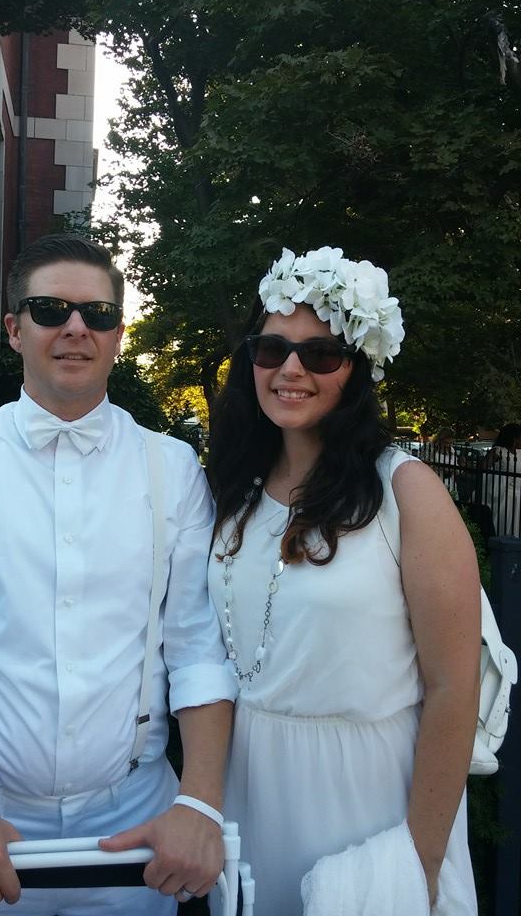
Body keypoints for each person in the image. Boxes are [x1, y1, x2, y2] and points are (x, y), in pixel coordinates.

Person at [0, 234, 236, 915]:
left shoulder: (172, 468)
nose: (75, 328)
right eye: (50, 308)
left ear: (119, 334)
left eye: (98, 314)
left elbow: (198, 646)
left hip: (138, 829)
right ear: (14, 329)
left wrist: (199, 802)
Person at [206, 247, 480, 915]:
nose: (291, 369)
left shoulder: (405, 491)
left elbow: (454, 687)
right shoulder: (228, 491)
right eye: (271, 350)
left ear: (354, 372)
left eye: (321, 354)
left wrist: (417, 859)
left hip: (368, 802)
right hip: (248, 794)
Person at [481, 423, 521, 536]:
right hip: (505, 495)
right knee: (504, 524)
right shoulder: (498, 451)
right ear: (515, 438)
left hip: (519, 493)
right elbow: (483, 469)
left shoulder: (520, 452)